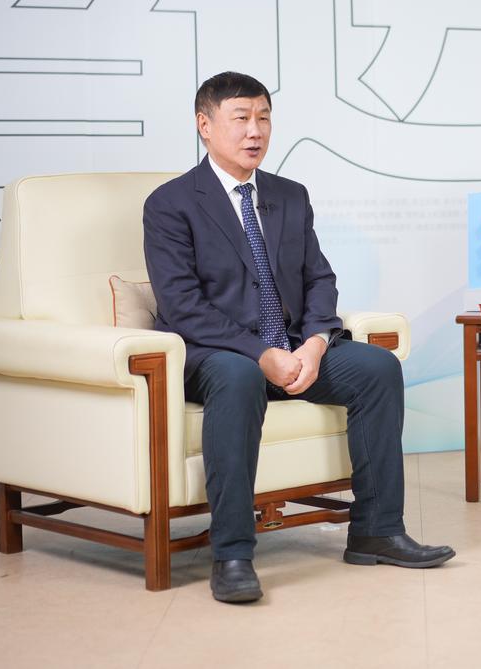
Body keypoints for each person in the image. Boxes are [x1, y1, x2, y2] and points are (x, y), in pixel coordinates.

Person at [144, 71, 454, 604]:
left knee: (378, 368)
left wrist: (314, 344)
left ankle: (377, 531)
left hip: (291, 347)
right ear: (205, 125)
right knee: (239, 376)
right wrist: (261, 353)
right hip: (216, 354)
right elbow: (181, 306)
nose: (255, 131)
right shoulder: (170, 204)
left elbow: (319, 279)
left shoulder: (289, 196)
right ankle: (233, 554)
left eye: (263, 118)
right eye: (241, 118)